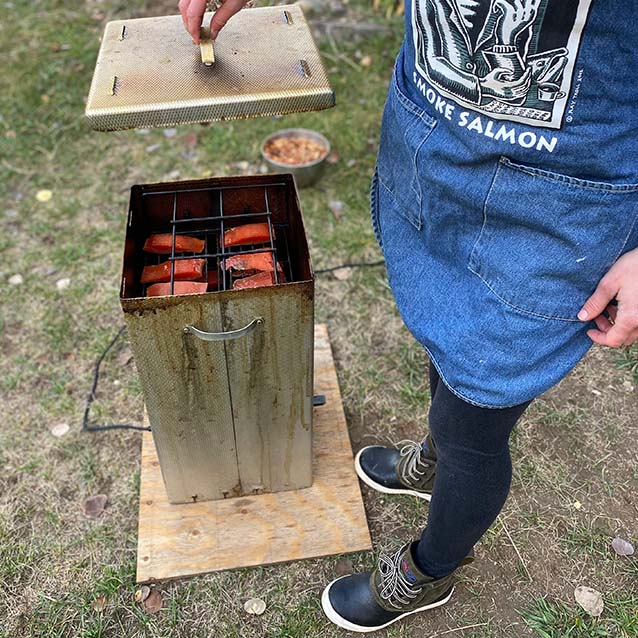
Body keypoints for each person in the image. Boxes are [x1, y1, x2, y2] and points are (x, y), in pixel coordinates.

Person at [179, 0, 638, 632]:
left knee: (474, 425)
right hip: (432, 156)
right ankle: (436, 458)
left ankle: (430, 570)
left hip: (554, 209)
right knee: (445, 336)